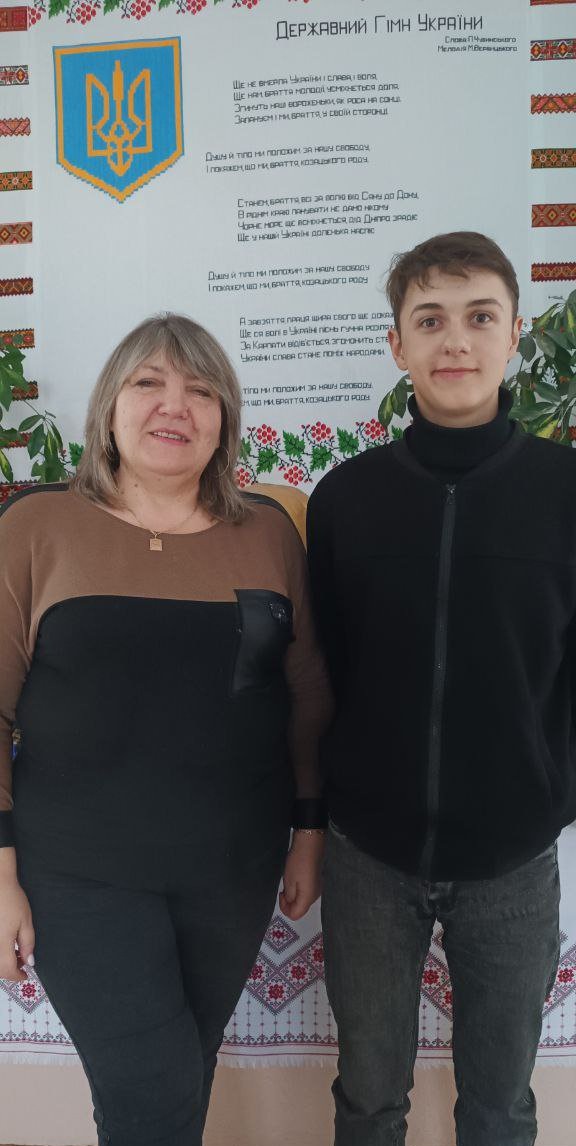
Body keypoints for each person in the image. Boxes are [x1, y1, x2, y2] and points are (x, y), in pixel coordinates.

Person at [0, 313, 331, 1146]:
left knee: (178, 1078)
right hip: (80, 875)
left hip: (233, 869)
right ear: (109, 407)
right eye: (148, 383)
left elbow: (306, 696)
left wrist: (308, 832)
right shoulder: (37, 526)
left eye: (201, 389)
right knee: (155, 1093)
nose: (174, 405)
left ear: (224, 420)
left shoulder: (268, 531)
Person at [307, 232, 575, 1146]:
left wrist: (550, 793)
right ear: (398, 345)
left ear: (514, 334)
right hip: (369, 856)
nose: (455, 339)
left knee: (499, 1105)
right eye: (429, 320)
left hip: (513, 859)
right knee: (368, 1100)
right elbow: (325, 666)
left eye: (479, 316)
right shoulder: (345, 499)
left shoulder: (565, 491)